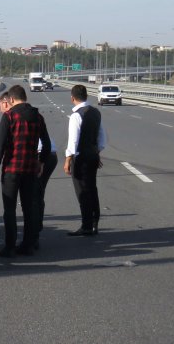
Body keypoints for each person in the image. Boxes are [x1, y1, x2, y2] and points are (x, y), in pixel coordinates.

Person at [0, 85, 51, 257]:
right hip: (31, 168)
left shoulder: (9, 116)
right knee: (29, 208)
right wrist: (41, 162)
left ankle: (9, 247)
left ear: (10, 99)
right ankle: (28, 245)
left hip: (12, 169)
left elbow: (1, 144)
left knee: (9, 209)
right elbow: (46, 144)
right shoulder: (38, 117)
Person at [64, 84, 107, 236]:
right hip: (93, 155)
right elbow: (102, 138)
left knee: (82, 192)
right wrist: (96, 152)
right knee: (92, 189)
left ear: (72, 98)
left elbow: (73, 141)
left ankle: (86, 225)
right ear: (86, 96)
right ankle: (95, 223)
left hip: (81, 157)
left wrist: (68, 159)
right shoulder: (96, 112)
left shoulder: (76, 115)